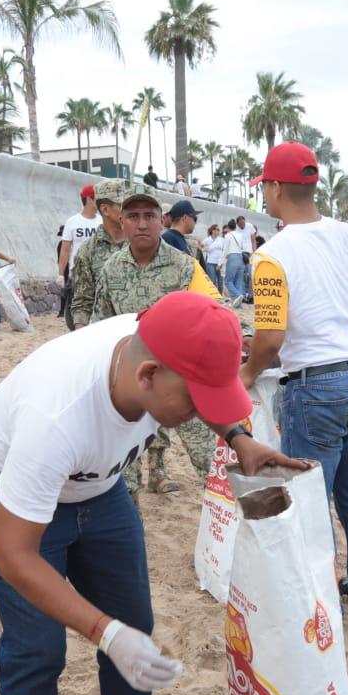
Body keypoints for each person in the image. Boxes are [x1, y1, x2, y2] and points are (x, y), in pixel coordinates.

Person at [0, 291, 303, 695]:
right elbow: (15, 556)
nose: (199, 414)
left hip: (99, 489)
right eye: (194, 402)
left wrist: (240, 438)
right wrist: (100, 630)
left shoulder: (161, 345)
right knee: (36, 650)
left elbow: (206, 379)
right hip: (14, 482)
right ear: (147, 376)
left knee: (135, 621)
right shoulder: (56, 416)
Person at [242, 141, 348, 620]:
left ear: (275, 188)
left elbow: (269, 338)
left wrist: (243, 377)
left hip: (315, 388)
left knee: (310, 500)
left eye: (264, 187)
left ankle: (320, 602)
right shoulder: (346, 235)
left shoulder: (271, 256)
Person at [92, 184, 222, 490]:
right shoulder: (111, 270)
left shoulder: (185, 266)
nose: (141, 223)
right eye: (133, 216)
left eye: (149, 215)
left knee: (213, 464)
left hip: (183, 383)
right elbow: (100, 328)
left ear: (161, 220)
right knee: (123, 475)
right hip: (131, 386)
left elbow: (217, 313)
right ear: (121, 221)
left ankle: (229, 531)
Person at [68, 180, 126, 329]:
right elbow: (82, 303)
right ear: (105, 209)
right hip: (103, 332)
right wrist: (81, 336)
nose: (129, 211)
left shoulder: (140, 242)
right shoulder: (87, 251)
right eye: (122, 206)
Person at [57, 183, 100, 330]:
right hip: (78, 272)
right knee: (77, 307)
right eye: (97, 197)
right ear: (89, 199)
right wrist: (60, 274)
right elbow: (65, 250)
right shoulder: (72, 222)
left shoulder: (102, 222)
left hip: (99, 271)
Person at [224, 218, 254, 303]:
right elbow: (243, 247)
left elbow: (225, 251)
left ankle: (238, 295)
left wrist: (220, 262)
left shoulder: (228, 236)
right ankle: (238, 303)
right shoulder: (240, 236)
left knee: (228, 281)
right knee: (239, 281)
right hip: (241, 257)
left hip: (232, 257)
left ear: (228, 227)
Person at [202, 224, 226, 292]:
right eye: (217, 230)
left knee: (220, 281)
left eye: (219, 230)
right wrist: (205, 250)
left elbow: (224, 251)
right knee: (212, 280)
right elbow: (200, 246)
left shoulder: (222, 240)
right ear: (213, 230)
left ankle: (220, 296)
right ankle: (213, 296)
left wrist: (221, 263)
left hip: (219, 263)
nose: (218, 231)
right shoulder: (207, 239)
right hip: (210, 262)